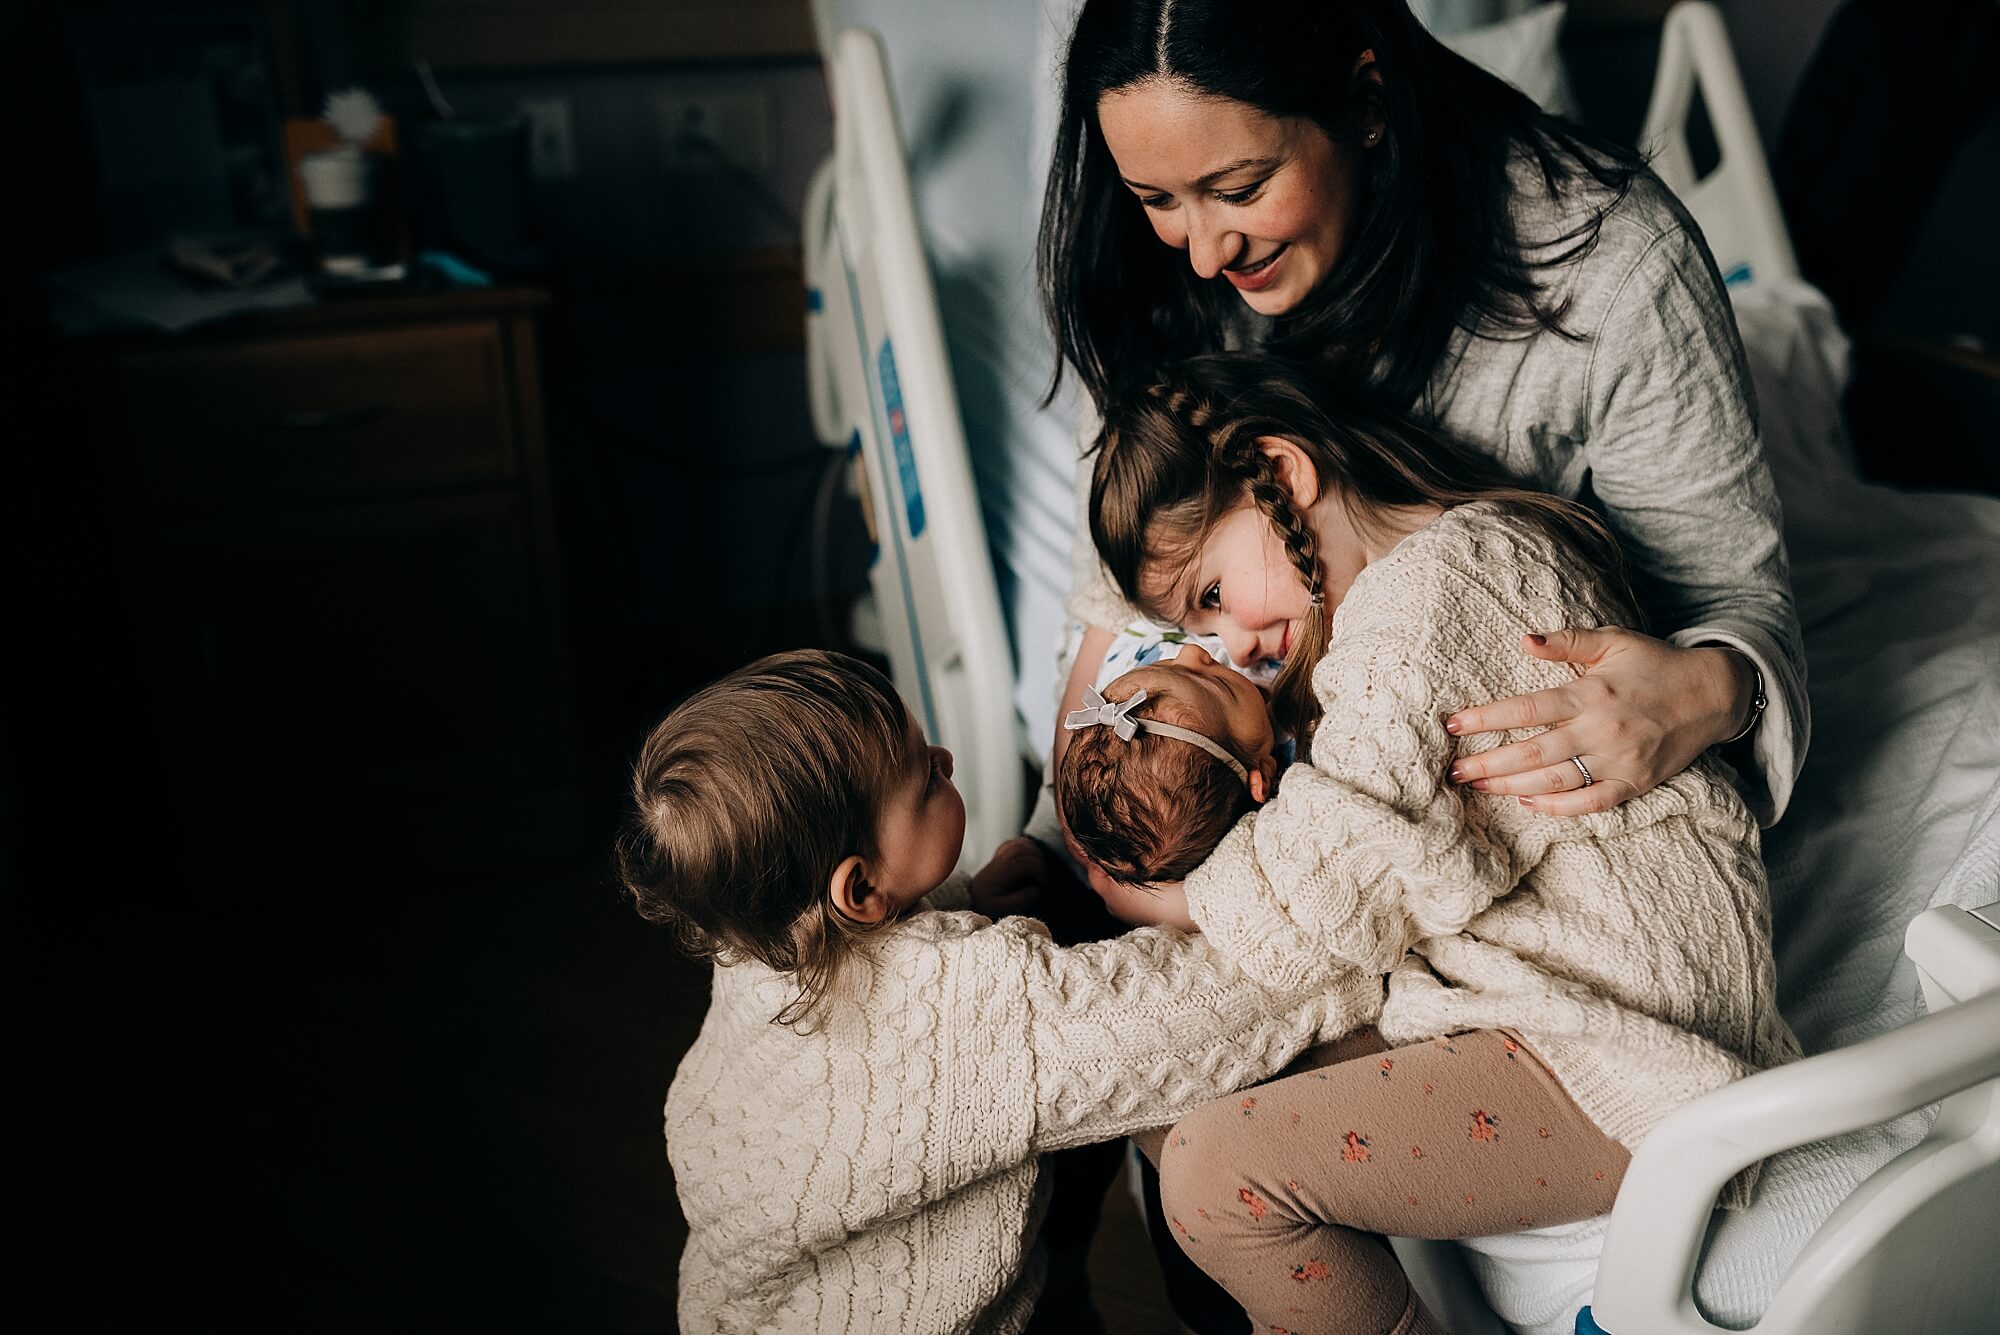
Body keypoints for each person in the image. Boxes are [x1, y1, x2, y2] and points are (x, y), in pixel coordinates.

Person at [1078, 352, 1799, 1332]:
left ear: (1283, 475)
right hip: (1508, 1003)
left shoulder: (1439, 594)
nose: (1231, 643)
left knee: (1216, 1179)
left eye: (1209, 595)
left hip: (1626, 1044)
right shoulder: (1383, 622)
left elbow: (1348, 862)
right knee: (1164, 1085)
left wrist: (1174, 901)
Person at [1032, 0, 1806, 829]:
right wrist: (1053, 847)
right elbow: (1116, 611)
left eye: (1241, 189)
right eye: (1157, 197)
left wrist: (1709, 689)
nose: (1205, 250)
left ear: (1366, 104)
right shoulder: (1145, 288)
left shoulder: (1614, 274)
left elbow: (1734, 610)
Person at [616, 649, 1379, 1334]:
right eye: (925, 777)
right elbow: (1199, 1011)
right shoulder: (982, 1007)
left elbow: (881, 978)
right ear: (861, 889)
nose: (946, 756)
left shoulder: (755, 943)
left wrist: (963, 897)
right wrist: (1274, 906)